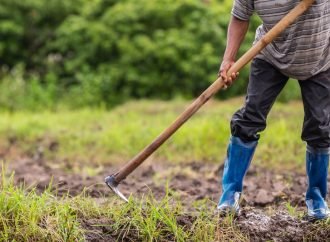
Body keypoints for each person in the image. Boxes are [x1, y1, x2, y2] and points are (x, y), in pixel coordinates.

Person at [217, 0, 330, 220]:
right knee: (249, 119)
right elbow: (240, 16)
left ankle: (317, 201)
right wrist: (228, 59)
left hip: (321, 58)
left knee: (320, 126)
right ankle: (229, 197)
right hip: (270, 55)